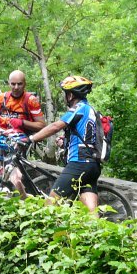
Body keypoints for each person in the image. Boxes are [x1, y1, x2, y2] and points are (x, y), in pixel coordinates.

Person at [27, 75, 102, 213]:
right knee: (91, 213)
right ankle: (97, 234)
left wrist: (31, 138)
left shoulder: (79, 108)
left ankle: (51, 234)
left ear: (71, 95)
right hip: (92, 165)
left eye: (66, 93)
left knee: (51, 205)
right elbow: (85, 136)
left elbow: (56, 126)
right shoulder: (89, 109)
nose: (64, 96)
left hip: (78, 164)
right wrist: (65, 142)